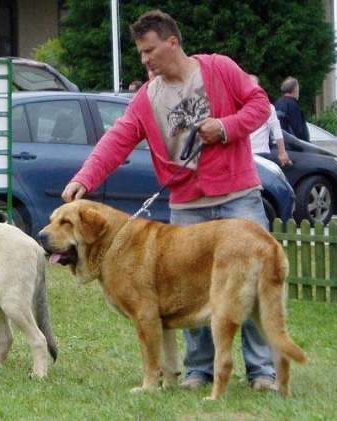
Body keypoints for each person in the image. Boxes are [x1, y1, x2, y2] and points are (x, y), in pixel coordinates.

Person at [61, 10, 277, 392]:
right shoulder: (147, 97)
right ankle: (199, 371)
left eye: (149, 50)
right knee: (187, 287)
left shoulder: (219, 68)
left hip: (238, 196)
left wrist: (226, 127)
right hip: (188, 204)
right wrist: (84, 178)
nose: (144, 59)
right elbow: (117, 141)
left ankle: (262, 372)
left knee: (251, 284)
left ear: (172, 42)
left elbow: (259, 104)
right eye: (141, 53)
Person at [248, 75, 292, 167]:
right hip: (243, 155)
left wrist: (282, 152)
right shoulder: (237, 107)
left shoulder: (267, 107)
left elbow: (276, 128)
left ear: (258, 88)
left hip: (260, 153)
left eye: (253, 86)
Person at [274, 76, 310, 142]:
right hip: (292, 146)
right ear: (294, 90)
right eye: (298, 90)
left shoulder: (277, 103)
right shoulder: (293, 106)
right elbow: (298, 129)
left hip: (280, 143)